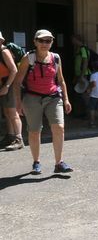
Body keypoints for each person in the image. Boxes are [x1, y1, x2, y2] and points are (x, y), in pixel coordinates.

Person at [14, 29, 73, 174]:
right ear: (35, 41)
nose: (44, 44)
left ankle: (59, 163)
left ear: (52, 42)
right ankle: (36, 162)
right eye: (41, 40)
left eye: (48, 41)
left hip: (53, 97)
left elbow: (61, 80)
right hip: (32, 98)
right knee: (34, 131)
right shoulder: (28, 58)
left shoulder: (56, 58)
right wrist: (18, 103)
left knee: (59, 127)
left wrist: (66, 99)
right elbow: (17, 82)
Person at [0, 31, 23, 151]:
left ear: (1, 41)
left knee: (13, 113)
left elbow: (14, 70)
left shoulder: (4, 52)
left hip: (10, 85)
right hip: (4, 84)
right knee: (7, 112)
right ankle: (10, 136)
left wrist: (7, 86)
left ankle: (19, 139)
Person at [71, 34, 91, 118]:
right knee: (78, 94)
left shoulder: (83, 49)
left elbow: (85, 62)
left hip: (84, 75)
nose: (72, 41)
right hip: (79, 75)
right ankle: (81, 113)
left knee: (84, 95)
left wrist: (81, 76)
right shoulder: (79, 49)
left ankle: (88, 114)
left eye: (73, 39)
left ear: (77, 40)